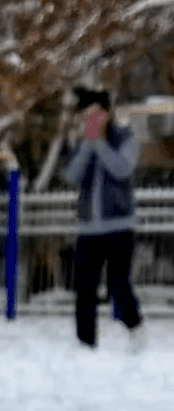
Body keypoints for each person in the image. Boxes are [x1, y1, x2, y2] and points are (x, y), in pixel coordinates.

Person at [67, 87, 144, 348]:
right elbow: (73, 176)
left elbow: (122, 169)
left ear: (108, 115)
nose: (92, 122)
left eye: (96, 116)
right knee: (84, 288)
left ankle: (135, 327)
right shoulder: (80, 144)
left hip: (119, 225)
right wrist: (88, 147)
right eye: (86, 117)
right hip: (89, 227)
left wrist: (99, 144)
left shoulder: (123, 138)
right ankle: (85, 342)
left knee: (118, 284)